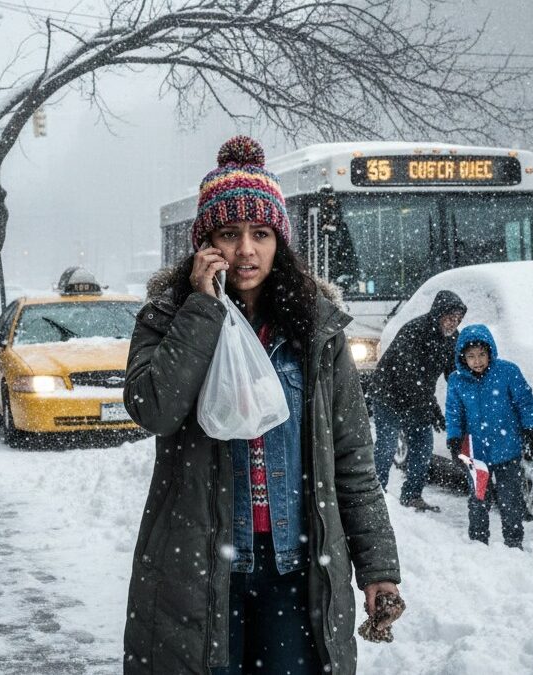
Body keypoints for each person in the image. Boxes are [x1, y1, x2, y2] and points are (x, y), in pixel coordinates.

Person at [122, 136, 401, 675]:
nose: (246, 251)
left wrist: (378, 568)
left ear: (280, 241)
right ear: (206, 243)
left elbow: (352, 460)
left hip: (295, 570)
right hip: (200, 569)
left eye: (261, 234)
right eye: (229, 234)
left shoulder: (316, 330)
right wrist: (202, 310)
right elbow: (155, 408)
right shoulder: (168, 317)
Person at [445, 324, 533, 549]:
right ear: (463, 357)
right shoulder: (457, 380)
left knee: (510, 498)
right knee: (478, 498)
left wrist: (532, 429)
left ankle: (513, 541)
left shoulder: (508, 372)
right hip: (476, 452)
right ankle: (479, 542)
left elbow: (525, 402)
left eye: (482, 354)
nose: (478, 361)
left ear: (490, 352)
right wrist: (454, 439)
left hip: (506, 447)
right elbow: (454, 412)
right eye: (471, 356)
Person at [369, 289, 467, 512]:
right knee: (387, 444)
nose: (454, 323)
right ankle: (375, 496)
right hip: (389, 395)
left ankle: (412, 495)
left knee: (423, 447)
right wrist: (431, 407)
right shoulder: (414, 330)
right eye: (450, 317)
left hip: (419, 399)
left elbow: (454, 375)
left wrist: (461, 404)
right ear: (439, 313)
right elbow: (408, 375)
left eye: (458, 319)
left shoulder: (453, 338)